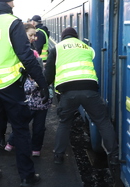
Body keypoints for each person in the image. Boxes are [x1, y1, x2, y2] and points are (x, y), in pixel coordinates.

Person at [0, 0, 49, 187]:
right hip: (12, 87)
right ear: (9, 2)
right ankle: (27, 176)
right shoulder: (12, 22)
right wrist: (42, 83)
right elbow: (26, 56)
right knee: (20, 129)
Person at [44, 27, 119, 166]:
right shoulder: (87, 48)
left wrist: (43, 88)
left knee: (64, 123)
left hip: (68, 92)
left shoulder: (57, 48)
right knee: (103, 122)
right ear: (76, 36)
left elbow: (49, 73)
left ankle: (58, 156)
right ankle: (114, 156)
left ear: (63, 36)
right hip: (90, 90)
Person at [4, 23, 53, 156]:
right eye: (31, 35)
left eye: (34, 35)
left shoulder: (32, 52)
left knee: (25, 124)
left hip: (33, 96)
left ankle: (15, 145)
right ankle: (17, 145)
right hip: (27, 95)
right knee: (24, 124)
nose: (34, 38)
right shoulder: (22, 53)